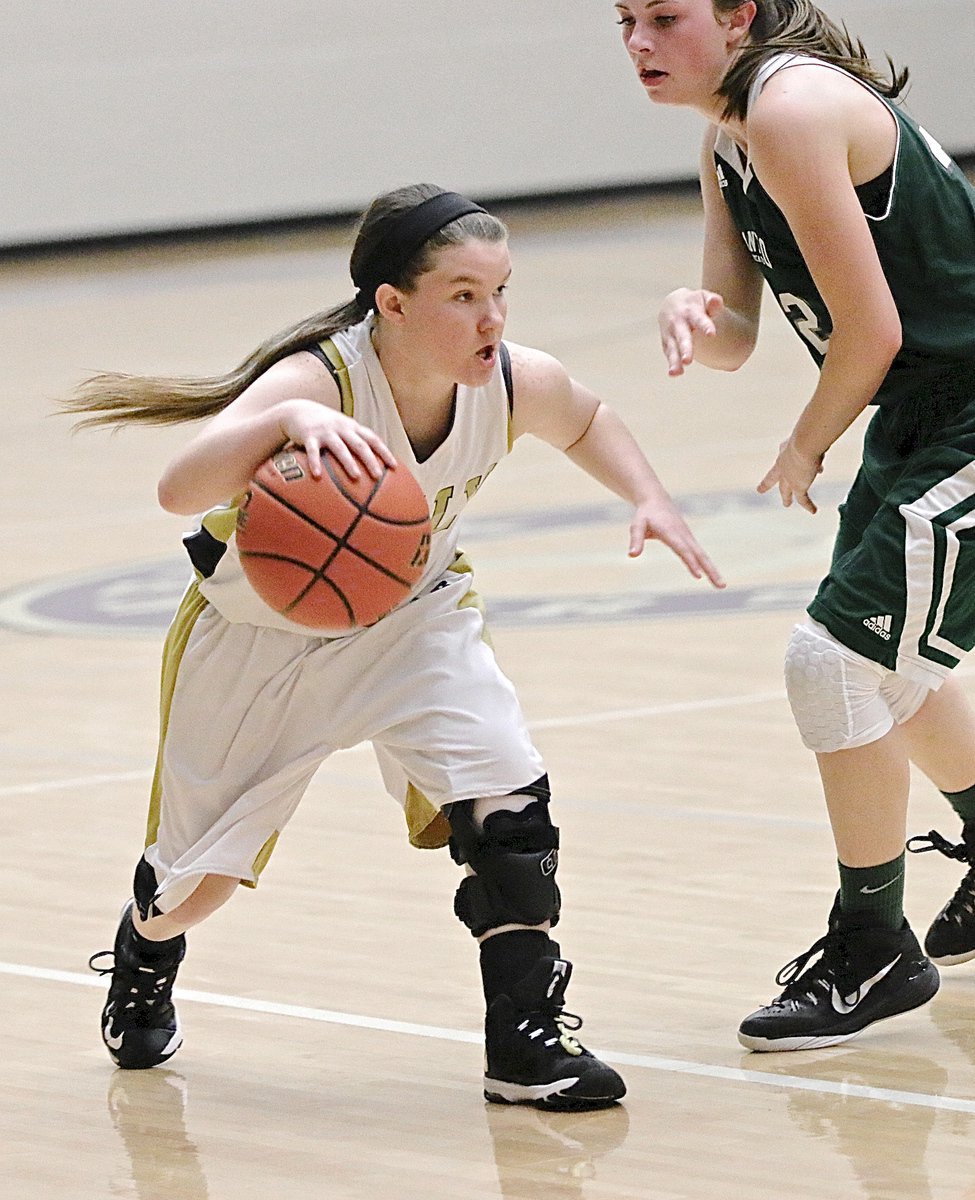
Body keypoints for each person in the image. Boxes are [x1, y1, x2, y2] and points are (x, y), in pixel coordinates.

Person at [66, 182, 724, 1108]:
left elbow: (584, 417)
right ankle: (146, 947)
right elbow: (179, 489)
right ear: (393, 303)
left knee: (511, 815)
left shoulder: (509, 379)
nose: (490, 316)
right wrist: (279, 425)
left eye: (500, 292)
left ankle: (525, 1047)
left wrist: (647, 497)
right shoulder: (318, 382)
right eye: (463, 294)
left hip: (413, 622)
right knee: (193, 888)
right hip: (261, 644)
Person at [614, 0, 975, 1050]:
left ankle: (872, 943)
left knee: (832, 661)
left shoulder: (789, 108)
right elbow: (735, 335)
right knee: (888, 667)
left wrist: (807, 443)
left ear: (737, 18)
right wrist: (693, 308)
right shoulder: (729, 136)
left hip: (963, 411)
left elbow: (872, 330)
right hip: (925, 415)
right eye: (624, 20)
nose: (639, 43)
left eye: (665, 17)